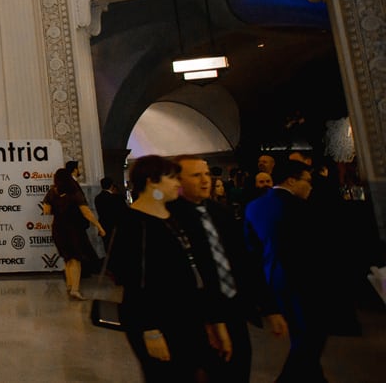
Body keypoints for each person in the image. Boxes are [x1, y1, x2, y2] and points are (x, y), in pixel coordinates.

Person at [109, 155, 230, 382]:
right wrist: (150, 329)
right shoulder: (134, 222)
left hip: (186, 316)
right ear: (152, 181)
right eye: (171, 178)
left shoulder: (170, 216)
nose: (177, 183)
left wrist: (212, 320)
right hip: (158, 321)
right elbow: (134, 281)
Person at [170, 156, 286, 383]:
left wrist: (270, 307)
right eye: (196, 175)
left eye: (207, 175)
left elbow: (243, 261)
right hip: (197, 315)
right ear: (178, 181)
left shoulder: (219, 212)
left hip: (232, 307)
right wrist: (209, 319)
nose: (205, 181)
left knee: (238, 369)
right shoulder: (170, 218)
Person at [245, 159, 329, 382]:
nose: (310, 186)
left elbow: (251, 253)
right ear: (292, 180)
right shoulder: (302, 208)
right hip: (306, 283)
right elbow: (318, 250)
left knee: (303, 340)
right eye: (307, 181)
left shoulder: (254, 207)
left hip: (274, 280)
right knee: (309, 341)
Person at [41, 164, 104, 300]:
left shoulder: (52, 192)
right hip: (73, 228)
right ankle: (75, 289)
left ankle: (70, 286)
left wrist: (58, 210)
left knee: (67, 258)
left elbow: (46, 210)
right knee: (76, 259)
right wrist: (98, 225)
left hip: (58, 228)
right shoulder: (74, 192)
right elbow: (86, 212)